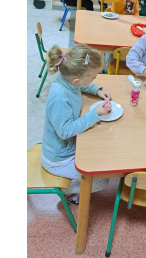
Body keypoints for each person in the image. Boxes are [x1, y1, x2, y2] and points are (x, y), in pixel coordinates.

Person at [40, 44, 113, 205]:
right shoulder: (60, 97)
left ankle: (73, 184)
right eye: (93, 77)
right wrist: (94, 114)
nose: (94, 79)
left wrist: (96, 90)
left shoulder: (68, 82)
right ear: (76, 80)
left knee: (99, 151)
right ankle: (68, 191)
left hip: (66, 147)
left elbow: (81, 85)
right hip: (58, 159)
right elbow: (65, 131)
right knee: (102, 180)